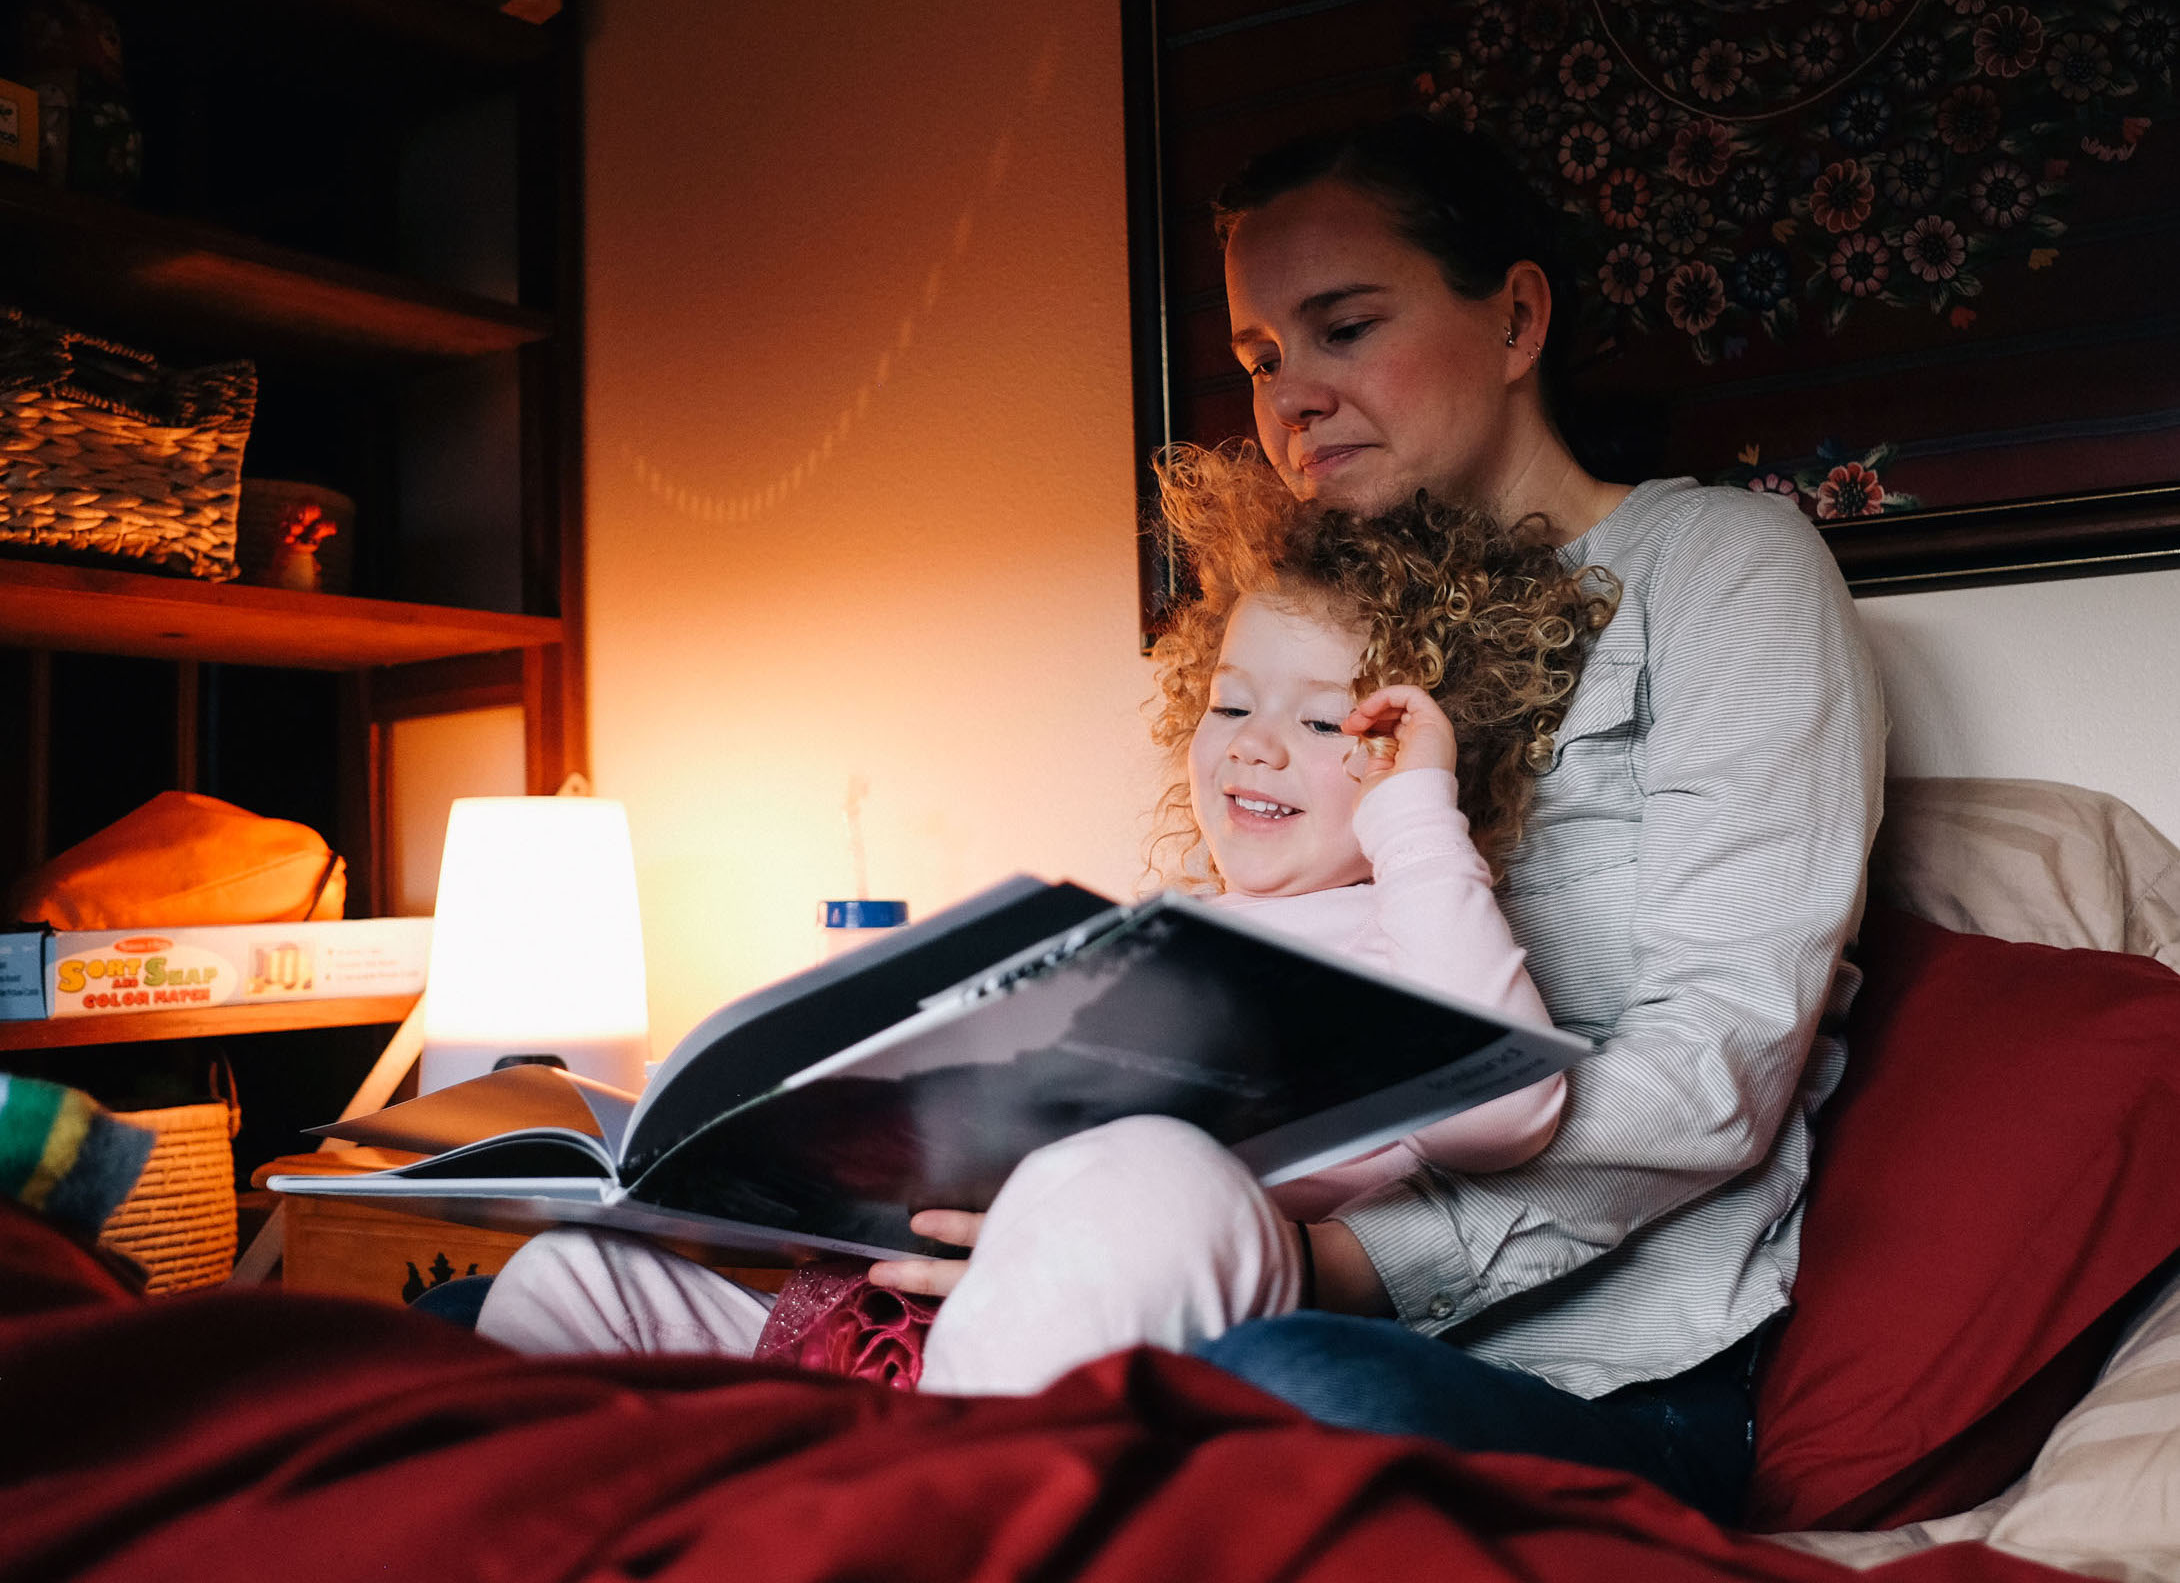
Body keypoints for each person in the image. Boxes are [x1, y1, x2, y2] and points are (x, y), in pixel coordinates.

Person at [1106, 112, 1883, 1525]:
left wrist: (1345, 1263)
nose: (1293, 401)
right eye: (1263, 360)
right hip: (1258, 1287)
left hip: (1614, 1379)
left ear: (1516, 316)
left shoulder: (1719, 570)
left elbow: (1716, 1069)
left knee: (1281, 1394)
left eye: (1343, 327)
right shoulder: (1308, 625)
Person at [474, 475, 1615, 1398]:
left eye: (1324, 721)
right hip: (919, 1318)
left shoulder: (1414, 909)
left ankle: (942, 1504)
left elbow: (1509, 1112)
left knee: (1154, 1176)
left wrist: (1416, 814)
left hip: (1152, 1272)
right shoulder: (1164, 931)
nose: (1254, 747)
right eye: (1228, 705)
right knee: (565, 1278)